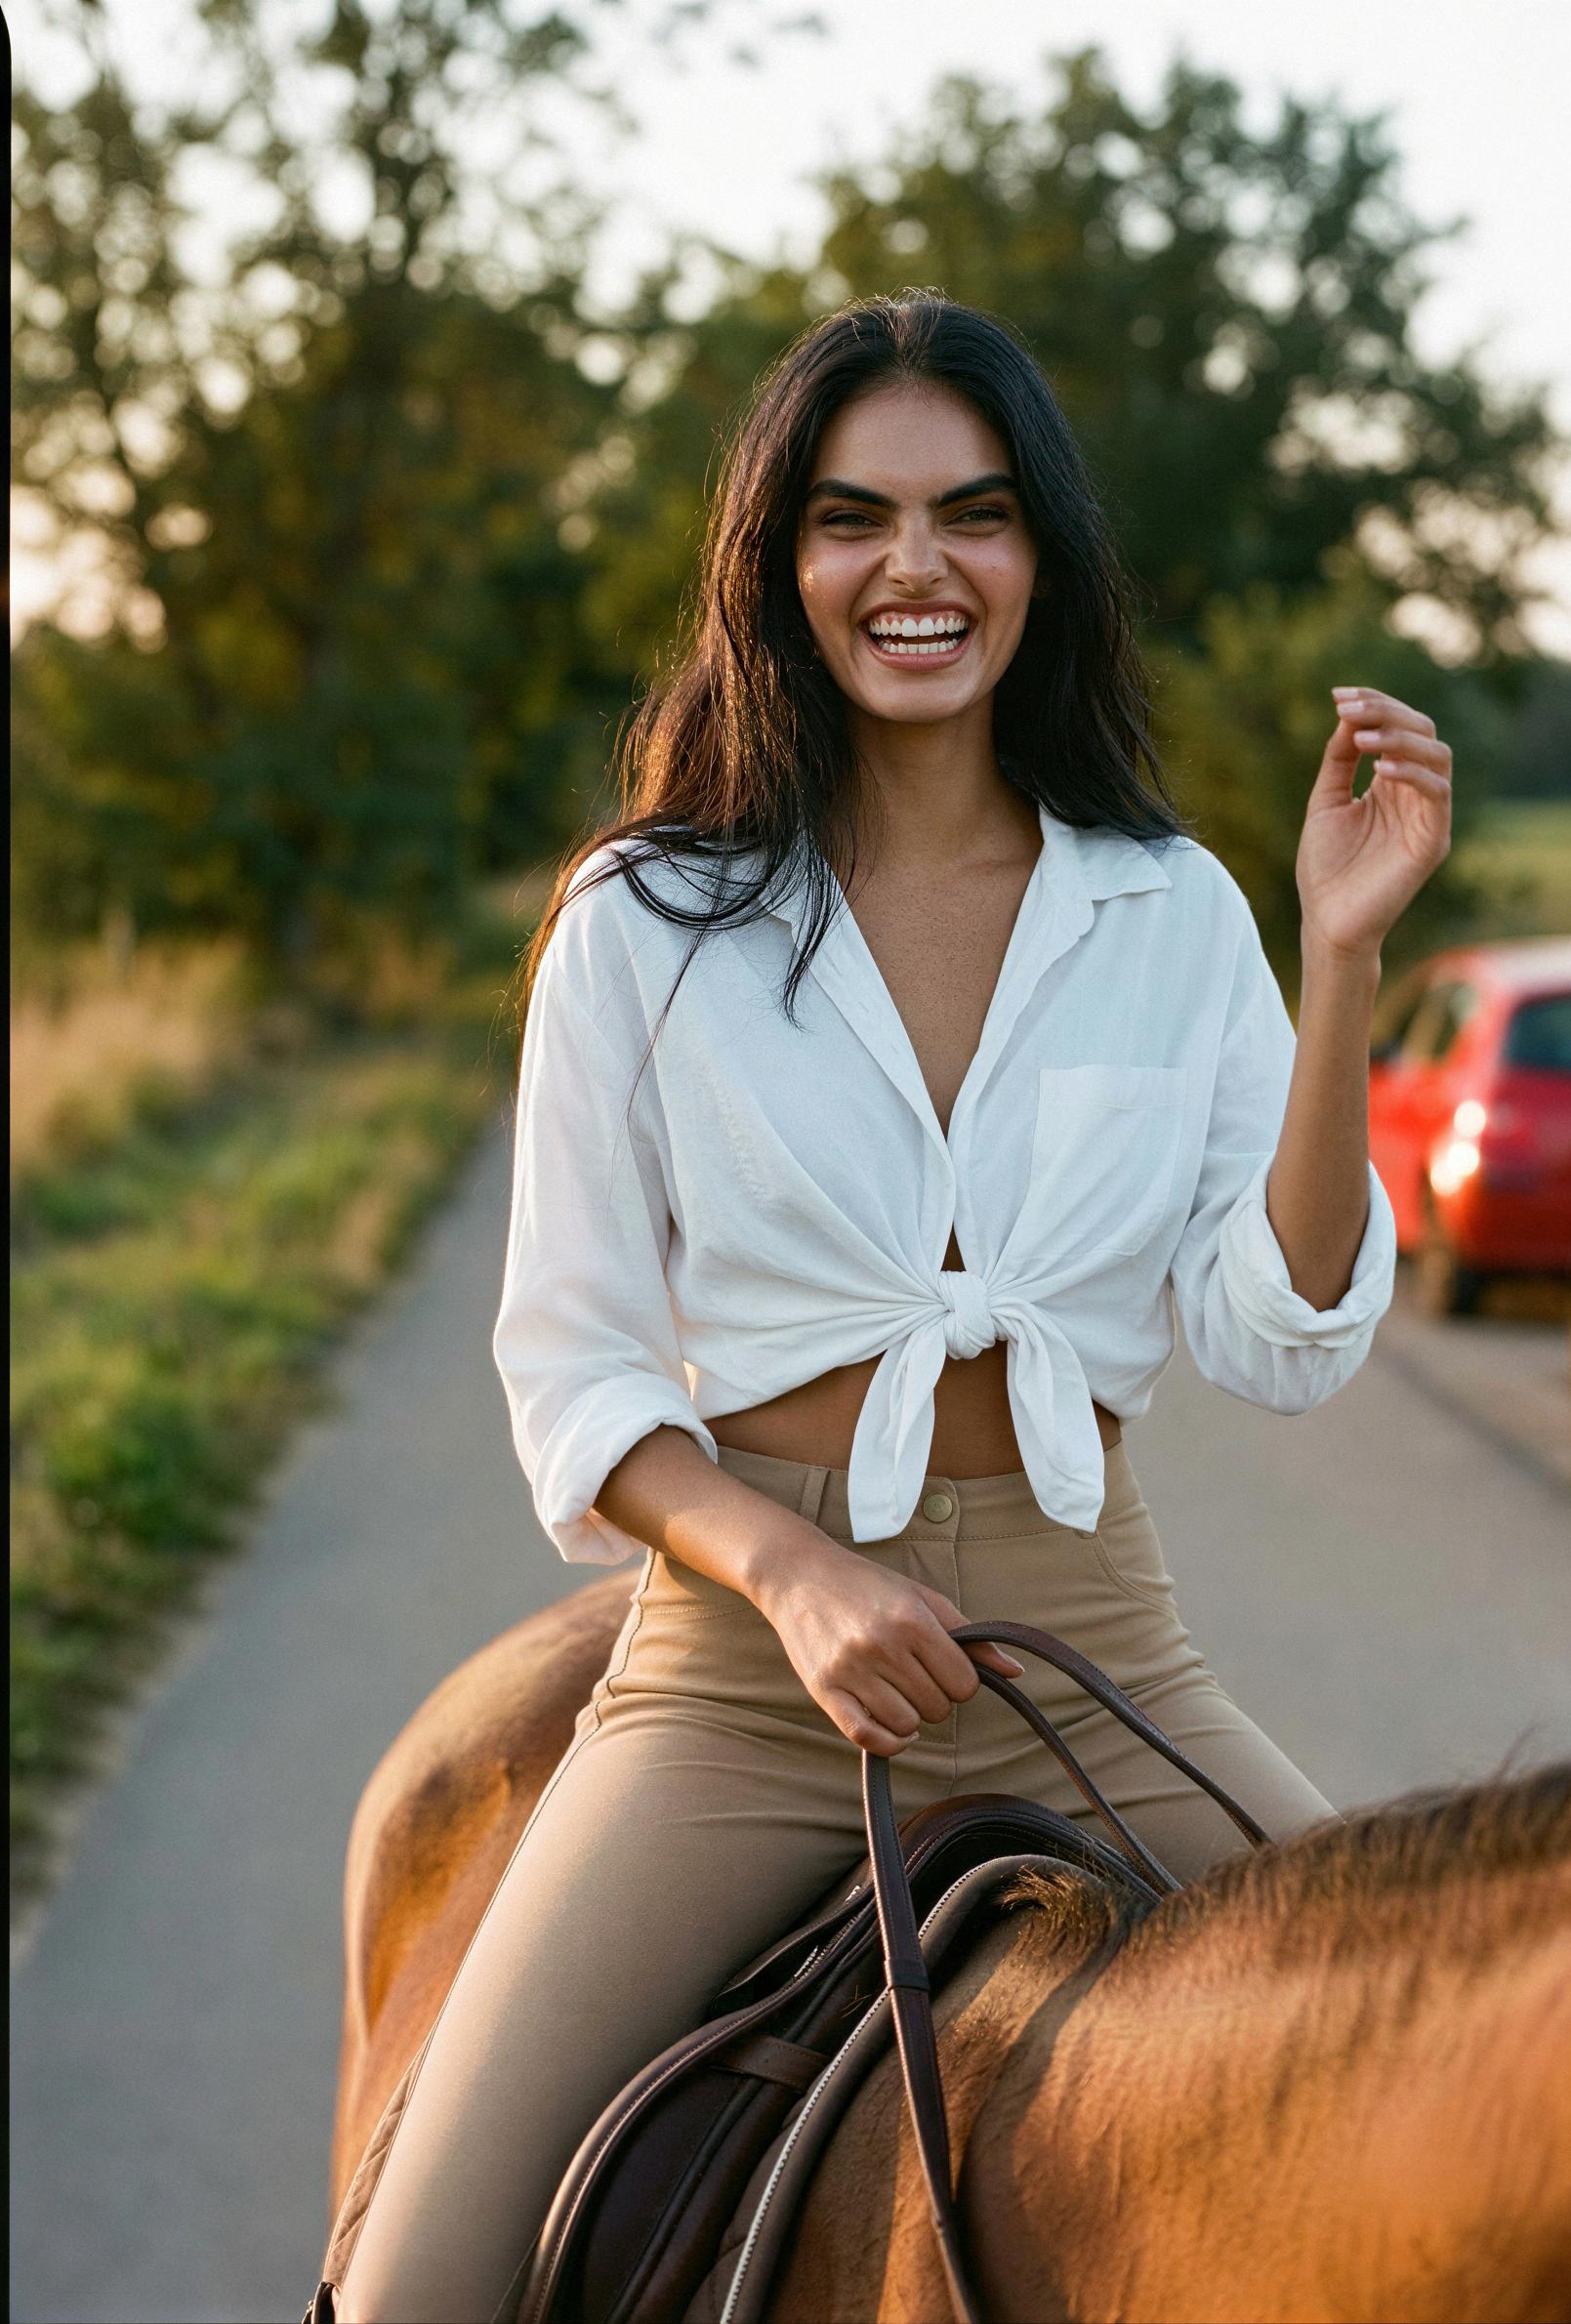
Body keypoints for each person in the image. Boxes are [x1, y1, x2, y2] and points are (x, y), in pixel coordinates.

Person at [329, 289, 1451, 2322]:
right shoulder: (644, 920)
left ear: (1041, 558)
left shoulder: (1174, 910)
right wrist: (793, 1576)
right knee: (416, 2286)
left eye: (973, 514)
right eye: (854, 517)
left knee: (1435, 2085)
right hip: (745, 1683)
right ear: (782, 566)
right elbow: (575, 1366)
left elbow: (1276, 1331)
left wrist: (1342, 956)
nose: (914, 567)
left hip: (1091, 1644)